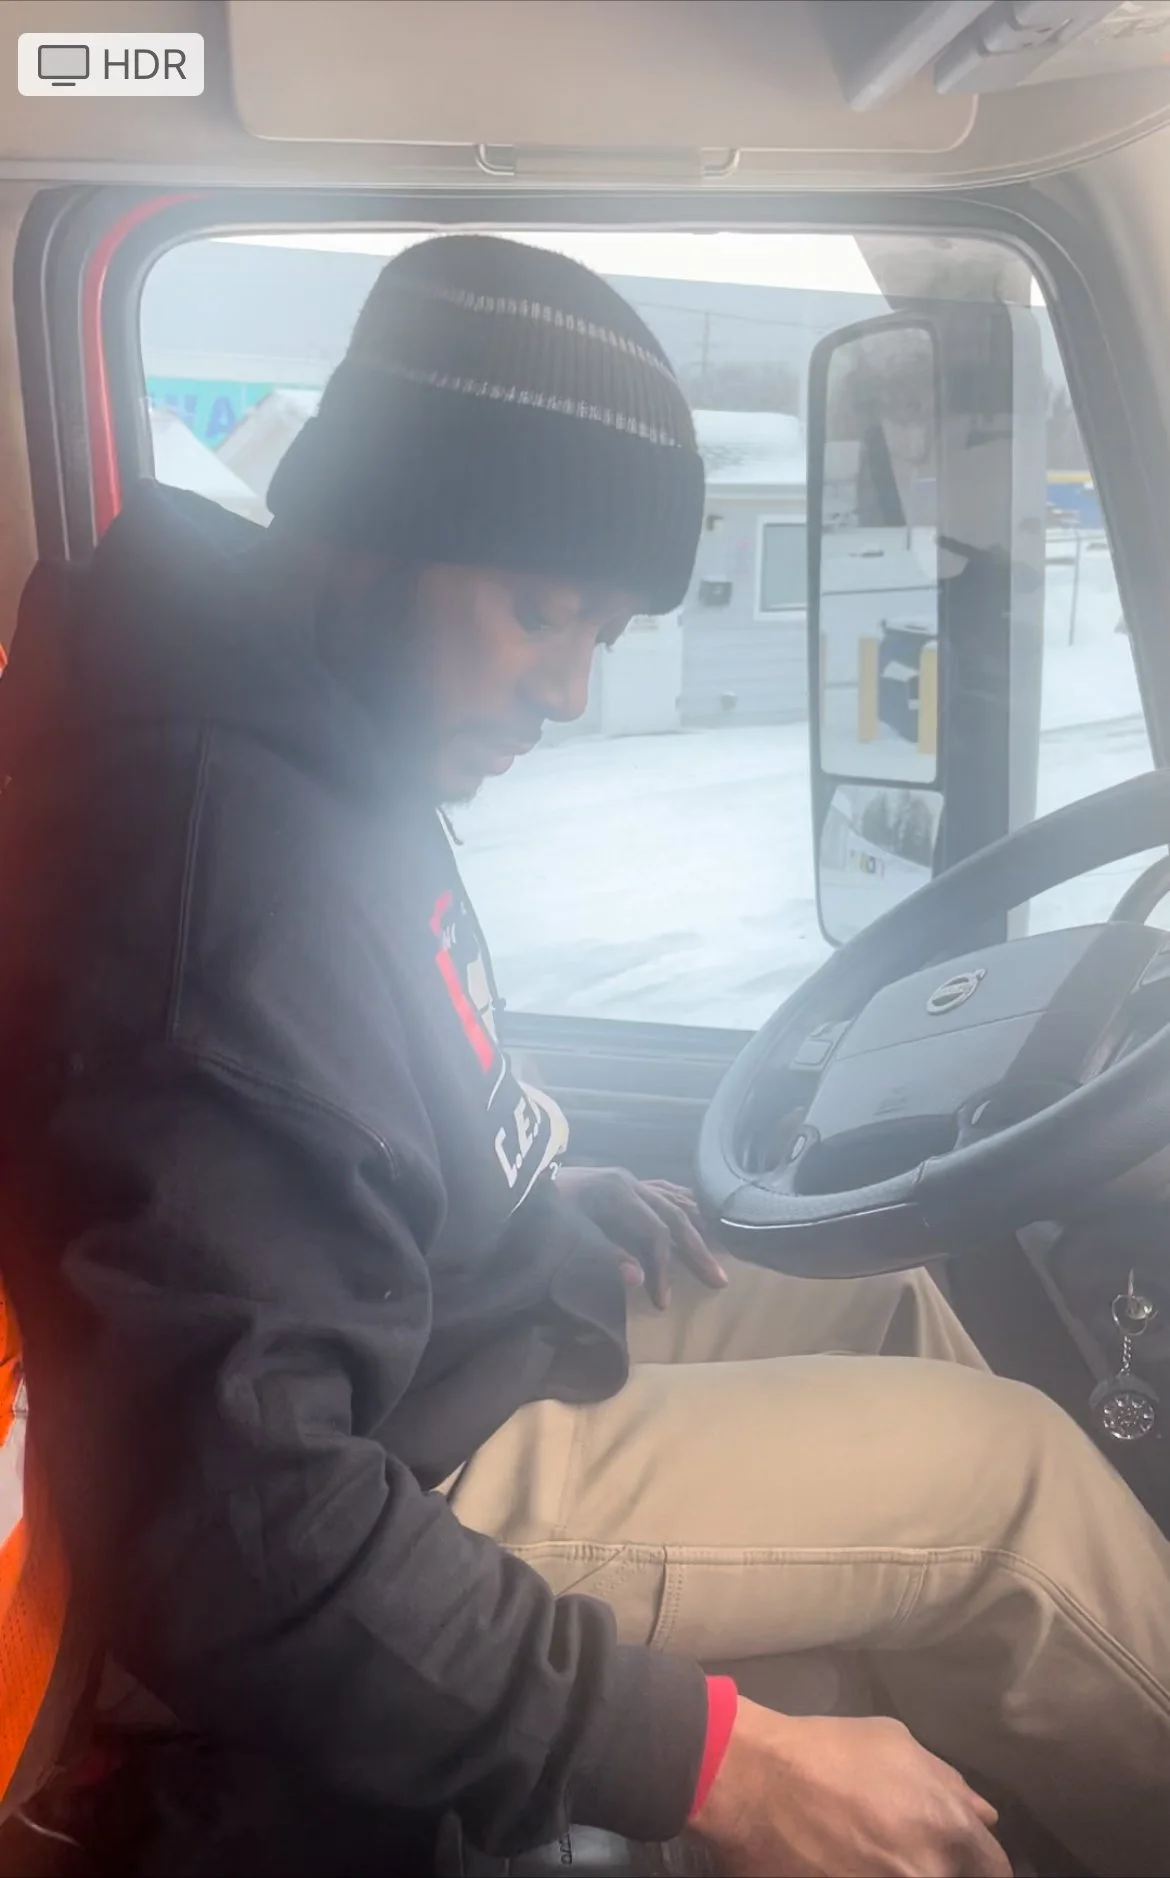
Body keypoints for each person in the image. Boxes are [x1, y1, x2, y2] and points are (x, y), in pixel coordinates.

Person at [0, 235, 1165, 1878]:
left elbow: (350, 1128)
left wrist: (532, 1197)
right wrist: (721, 1764)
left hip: (449, 1325)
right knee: (1016, 1488)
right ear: (371, 529)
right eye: (538, 610)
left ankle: (980, 1784)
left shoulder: (321, 726)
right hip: (401, 1464)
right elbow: (243, 1534)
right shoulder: (216, 877)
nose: (569, 687)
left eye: (602, 630)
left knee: (890, 1294)